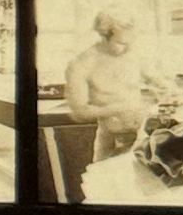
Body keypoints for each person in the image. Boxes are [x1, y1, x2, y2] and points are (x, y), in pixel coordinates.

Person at [63, 8, 171, 162]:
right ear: (105, 35)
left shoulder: (131, 53)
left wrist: (167, 88)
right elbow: (79, 112)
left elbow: (155, 79)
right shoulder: (82, 63)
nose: (128, 48)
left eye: (131, 41)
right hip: (111, 142)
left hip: (141, 137)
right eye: (122, 43)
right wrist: (121, 109)